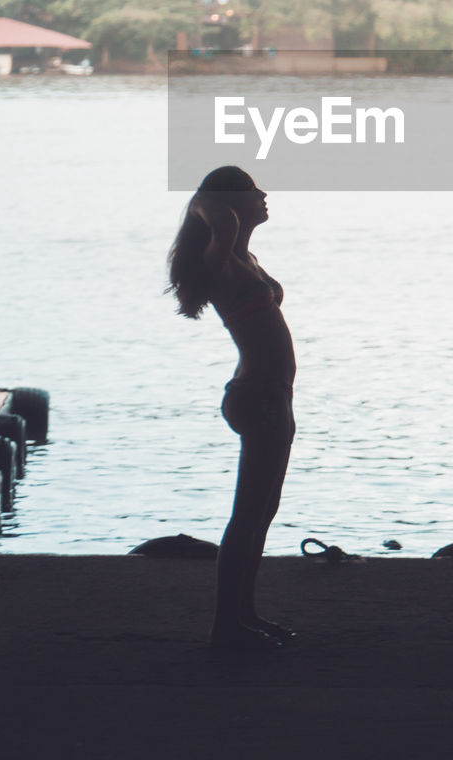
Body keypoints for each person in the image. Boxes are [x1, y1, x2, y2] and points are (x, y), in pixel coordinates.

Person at [168, 166, 296, 651]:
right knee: (247, 515)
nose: (264, 195)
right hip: (255, 396)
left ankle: (245, 614)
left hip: (274, 395)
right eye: (251, 191)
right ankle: (226, 625)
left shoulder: (245, 257)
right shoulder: (219, 258)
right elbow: (210, 217)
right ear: (230, 207)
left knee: (264, 511)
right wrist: (208, 201)